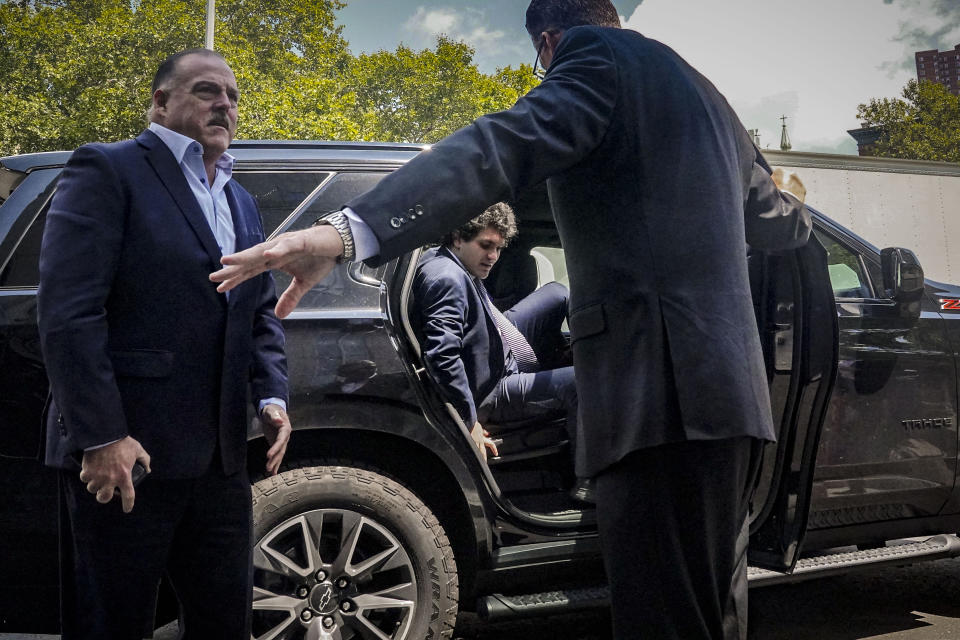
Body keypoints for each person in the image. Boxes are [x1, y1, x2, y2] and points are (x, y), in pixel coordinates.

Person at [210, 1, 811, 637]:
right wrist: (800, 208)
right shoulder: (708, 96)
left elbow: (502, 146)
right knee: (716, 603)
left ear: (549, 41)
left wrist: (347, 233)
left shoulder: (595, 59)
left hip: (656, 397)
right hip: (730, 394)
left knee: (665, 612)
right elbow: (773, 218)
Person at [38, 48, 290, 639]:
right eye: (206, 91)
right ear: (160, 101)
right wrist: (102, 437)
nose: (224, 105)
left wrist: (271, 396)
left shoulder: (240, 198)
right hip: (127, 458)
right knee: (112, 625)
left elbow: (259, 313)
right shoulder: (108, 169)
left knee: (225, 626)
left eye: (232, 96)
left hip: (221, 464)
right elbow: (69, 312)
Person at [413, 203, 587, 498]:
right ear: (457, 237)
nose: (493, 256)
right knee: (583, 382)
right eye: (485, 246)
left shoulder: (450, 262)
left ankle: (583, 352)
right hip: (492, 389)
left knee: (558, 293)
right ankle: (588, 481)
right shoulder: (447, 279)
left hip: (495, 343)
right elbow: (442, 356)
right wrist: (468, 422)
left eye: (499, 248)